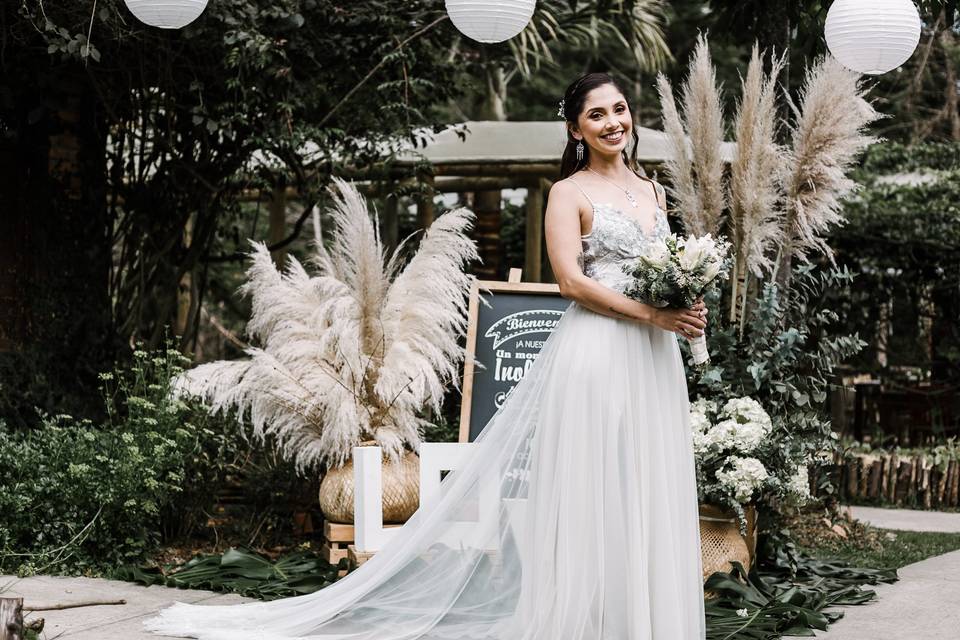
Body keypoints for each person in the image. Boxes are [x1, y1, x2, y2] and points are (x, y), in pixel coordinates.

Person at [145, 71, 708, 640]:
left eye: (619, 109)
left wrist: (682, 298)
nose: (613, 122)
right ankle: (587, 623)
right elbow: (570, 282)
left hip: (654, 357)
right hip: (601, 353)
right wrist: (655, 315)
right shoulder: (568, 193)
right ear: (575, 129)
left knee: (646, 478)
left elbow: (660, 267)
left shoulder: (654, 190)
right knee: (597, 486)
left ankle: (645, 619)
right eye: (597, 115)